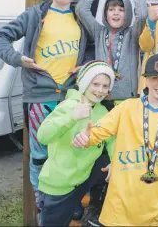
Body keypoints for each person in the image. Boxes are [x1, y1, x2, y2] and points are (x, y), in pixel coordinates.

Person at [0, 0, 89, 212]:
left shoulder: (80, 18)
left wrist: (85, 64)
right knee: (40, 153)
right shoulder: (35, 15)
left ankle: (67, 200)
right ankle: (43, 200)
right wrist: (16, 58)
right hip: (39, 96)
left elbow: (92, 47)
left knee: (68, 151)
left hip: (69, 95)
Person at [72, 53, 158, 227]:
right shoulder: (126, 108)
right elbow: (96, 133)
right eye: (155, 78)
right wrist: (84, 137)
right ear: (145, 80)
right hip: (120, 212)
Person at [37, 61, 116, 226]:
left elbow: (111, 139)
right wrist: (72, 116)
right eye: (95, 84)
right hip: (59, 185)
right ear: (85, 83)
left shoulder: (102, 112)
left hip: (81, 181)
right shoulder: (69, 106)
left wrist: (115, 161)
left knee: (105, 163)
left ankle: (95, 207)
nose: (100, 90)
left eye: (105, 86)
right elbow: (43, 136)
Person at [75, 0, 148, 102]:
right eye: (111, 9)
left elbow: (143, 15)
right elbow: (81, 9)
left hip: (126, 97)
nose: (116, 13)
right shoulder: (99, 31)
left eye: (121, 9)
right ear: (105, 13)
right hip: (99, 96)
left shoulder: (133, 33)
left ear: (127, 13)